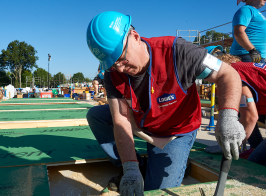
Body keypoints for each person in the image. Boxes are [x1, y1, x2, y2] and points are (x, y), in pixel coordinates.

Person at [85, 11, 245, 195]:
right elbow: (120, 119)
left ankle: (177, 165)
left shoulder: (178, 51)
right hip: (144, 121)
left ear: (135, 36)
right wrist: (130, 168)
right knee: (97, 116)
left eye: (120, 58)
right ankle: (140, 166)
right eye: (113, 64)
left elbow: (228, 74)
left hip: (175, 131)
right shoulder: (113, 74)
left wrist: (229, 117)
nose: (119, 68)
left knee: (157, 191)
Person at [205, 46, 266, 165]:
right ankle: (256, 147)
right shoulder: (240, 67)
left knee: (256, 162)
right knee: (239, 113)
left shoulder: (234, 74)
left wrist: (230, 144)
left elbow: (250, 117)